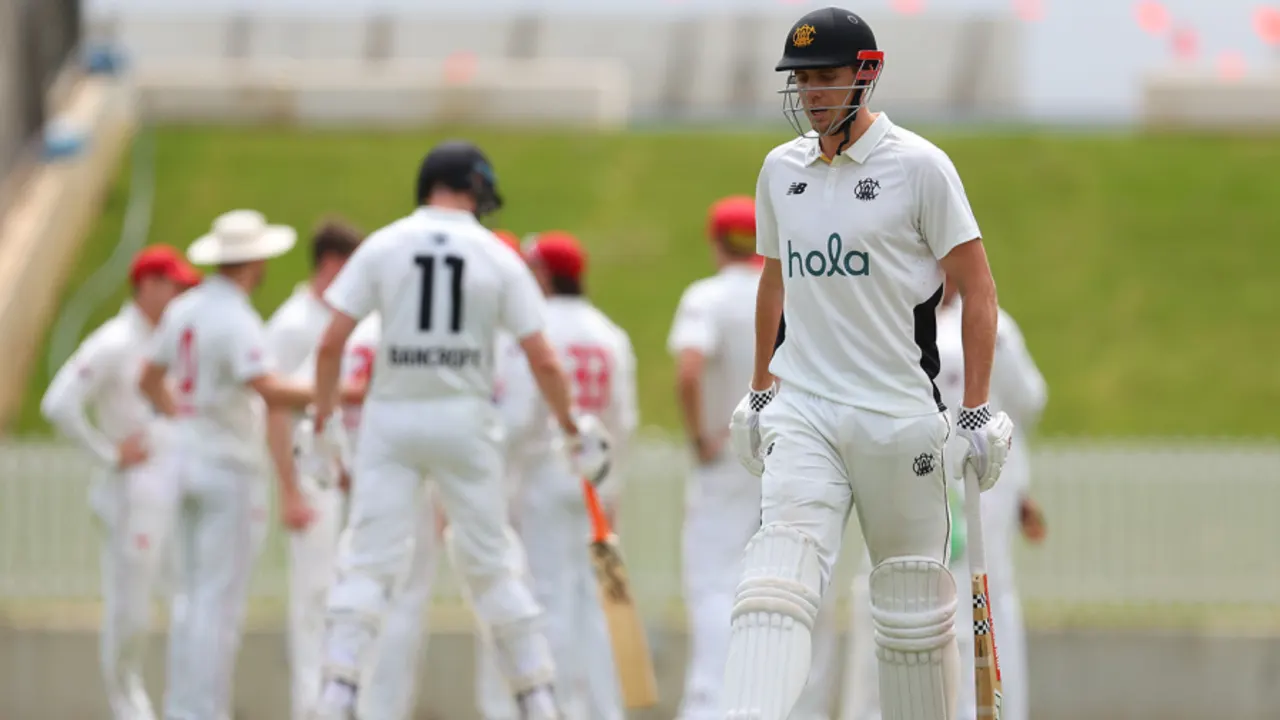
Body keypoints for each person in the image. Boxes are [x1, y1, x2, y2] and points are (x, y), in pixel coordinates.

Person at [721, 7, 1015, 719]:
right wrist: (761, 390)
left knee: (911, 610)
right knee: (774, 581)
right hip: (806, 410)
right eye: (802, 79)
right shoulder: (779, 169)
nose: (812, 93)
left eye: (826, 77)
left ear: (867, 74)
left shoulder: (918, 167)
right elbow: (774, 278)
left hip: (897, 417)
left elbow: (978, 290)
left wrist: (973, 409)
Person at [307, 140, 611, 720]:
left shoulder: (384, 244)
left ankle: (338, 689)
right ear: (474, 188)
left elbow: (329, 345)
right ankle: (537, 697)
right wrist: (573, 427)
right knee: (493, 560)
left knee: (368, 558)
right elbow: (544, 360)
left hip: (391, 417)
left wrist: (322, 422)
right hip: (465, 419)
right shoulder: (496, 256)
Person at [136, 210, 325, 720]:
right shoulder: (235, 318)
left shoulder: (187, 308)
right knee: (217, 604)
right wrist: (333, 392)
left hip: (187, 457)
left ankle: (184, 708)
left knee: (191, 596)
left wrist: (187, 414)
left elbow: (149, 378)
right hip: (227, 468)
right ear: (254, 262)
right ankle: (202, 711)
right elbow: (268, 389)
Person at [841, 277, 1048, 720]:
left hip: (949, 494)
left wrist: (1020, 488)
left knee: (956, 602)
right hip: (939, 491)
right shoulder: (902, 324)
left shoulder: (979, 328)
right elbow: (1029, 402)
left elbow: (1025, 404)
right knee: (950, 602)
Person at [475, 230, 636, 720]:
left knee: (547, 594)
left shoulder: (536, 329)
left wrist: (505, 475)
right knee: (599, 599)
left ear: (543, 274)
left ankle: (556, 705)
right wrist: (614, 485)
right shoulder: (610, 333)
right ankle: (602, 708)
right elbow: (623, 420)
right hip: (595, 479)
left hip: (547, 472)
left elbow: (522, 415)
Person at [40, 245, 200, 720]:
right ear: (147, 286)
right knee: (130, 610)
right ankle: (128, 707)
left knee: (183, 601)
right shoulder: (113, 342)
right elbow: (58, 404)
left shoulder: (168, 341)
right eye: (172, 286)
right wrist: (110, 454)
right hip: (132, 495)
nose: (178, 297)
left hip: (170, 490)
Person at [262, 218, 364, 720]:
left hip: (342, 468)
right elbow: (273, 408)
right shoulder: (292, 324)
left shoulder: (347, 321)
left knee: (347, 591)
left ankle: (340, 700)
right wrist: (289, 490)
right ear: (330, 265)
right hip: (308, 469)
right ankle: (310, 706)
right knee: (312, 595)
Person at [666, 196, 763, 720]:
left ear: (717, 242)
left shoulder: (707, 296)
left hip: (728, 453)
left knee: (712, 580)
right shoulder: (791, 292)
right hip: (789, 457)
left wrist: (701, 435)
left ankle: (709, 703)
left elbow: (688, 369)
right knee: (781, 584)